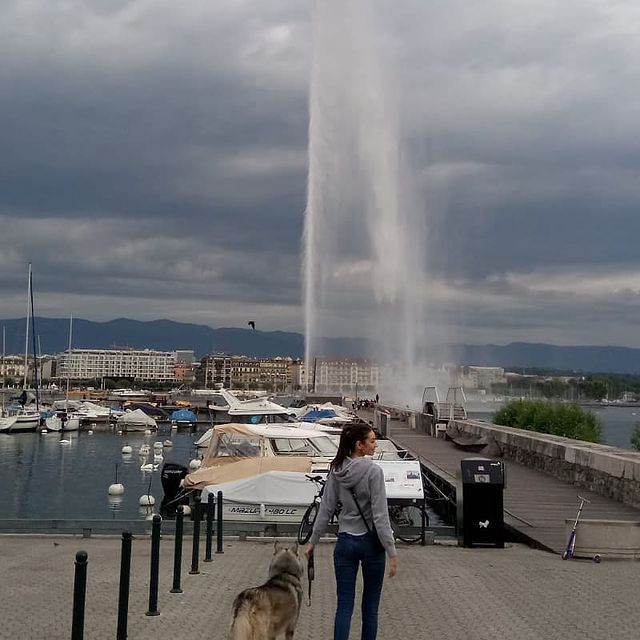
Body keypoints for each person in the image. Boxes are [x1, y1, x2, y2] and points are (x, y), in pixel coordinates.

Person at [305, 423, 397, 640]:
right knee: (370, 607)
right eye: (372, 441)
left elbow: (325, 509)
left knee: (344, 606)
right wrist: (392, 552)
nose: (375, 445)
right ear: (359, 445)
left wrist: (313, 541)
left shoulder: (337, 471)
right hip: (371, 544)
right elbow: (380, 517)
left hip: (345, 542)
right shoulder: (374, 472)